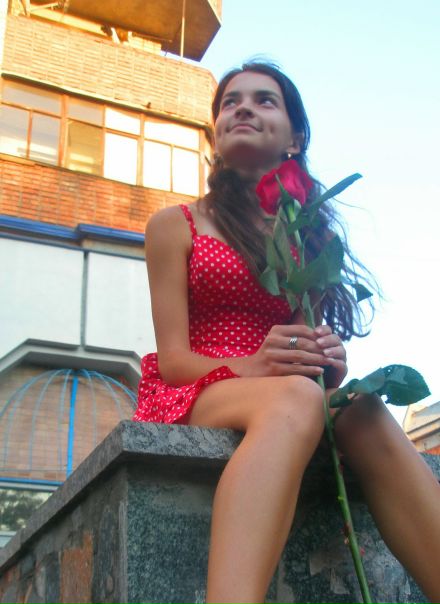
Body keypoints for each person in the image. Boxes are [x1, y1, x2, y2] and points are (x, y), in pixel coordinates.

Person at [133, 61, 440, 604]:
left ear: (294, 139)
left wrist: (325, 359)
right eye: (230, 102)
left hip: (287, 391)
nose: (243, 109)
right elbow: (174, 360)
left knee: (363, 408)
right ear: (216, 134)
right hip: (194, 389)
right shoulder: (174, 225)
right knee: (296, 398)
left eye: (264, 100)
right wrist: (253, 366)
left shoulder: (305, 237)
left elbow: (303, 349)